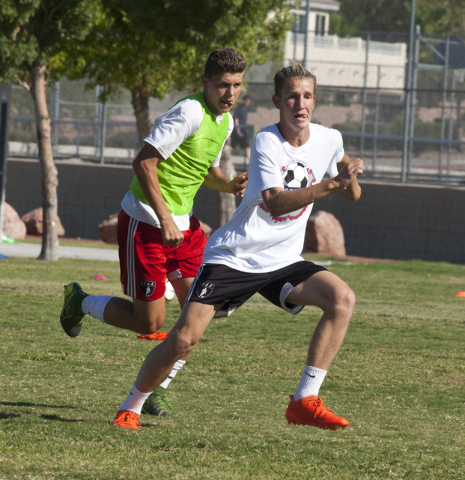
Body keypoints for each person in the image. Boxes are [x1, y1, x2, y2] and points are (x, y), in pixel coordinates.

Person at [110, 63, 364, 431]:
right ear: (278, 101)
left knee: (342, 299)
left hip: (283, 260)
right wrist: (331, 184)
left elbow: (351, 190)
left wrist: (350, 177)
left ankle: (304, 400)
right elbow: (276, 202)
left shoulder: (330, 139)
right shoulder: (267, 141)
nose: (300, 104)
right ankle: (130, 407)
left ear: (315, 101)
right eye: (292, 96)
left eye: (307, 96)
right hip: (236, 256)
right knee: (183, 339)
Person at [60, 48, 248, 418]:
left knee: (204, 309)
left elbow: (203, 169)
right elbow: (144, 161)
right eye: (223, 85)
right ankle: (78, 302)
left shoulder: (224, 122)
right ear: (205, 83)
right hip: (147, 222)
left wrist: (227, 185)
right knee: (151, 323)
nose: (230, 94)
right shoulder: (190, 111)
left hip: (185, 228)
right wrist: (163, 218)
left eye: (238, 85)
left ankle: (157, 388)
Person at [231, 94, 252, 162]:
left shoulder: (246, 109)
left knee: (247, 145)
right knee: (232, 146)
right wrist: (238, 131)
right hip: (236, 131)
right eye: (247, 101)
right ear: (244, 101)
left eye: (249, 101)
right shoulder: (238, 108)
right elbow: (236, 120)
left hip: (243, 131)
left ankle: (250, 162)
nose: (248, 103)